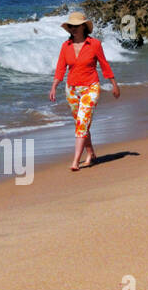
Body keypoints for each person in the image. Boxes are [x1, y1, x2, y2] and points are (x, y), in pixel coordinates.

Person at [49, 11, 121, 171]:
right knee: (82, 124)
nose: (73, 29)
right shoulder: (65, 46)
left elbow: (104, 65)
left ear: (83, 27)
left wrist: (114, 84)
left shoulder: (94, 44)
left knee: (81, 123)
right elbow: (61, 68)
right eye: (70, 26)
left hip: (91, 87)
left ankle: (75, 161)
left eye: (76, 26)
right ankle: (91, 154)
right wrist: (54, 86)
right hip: (72, 90)